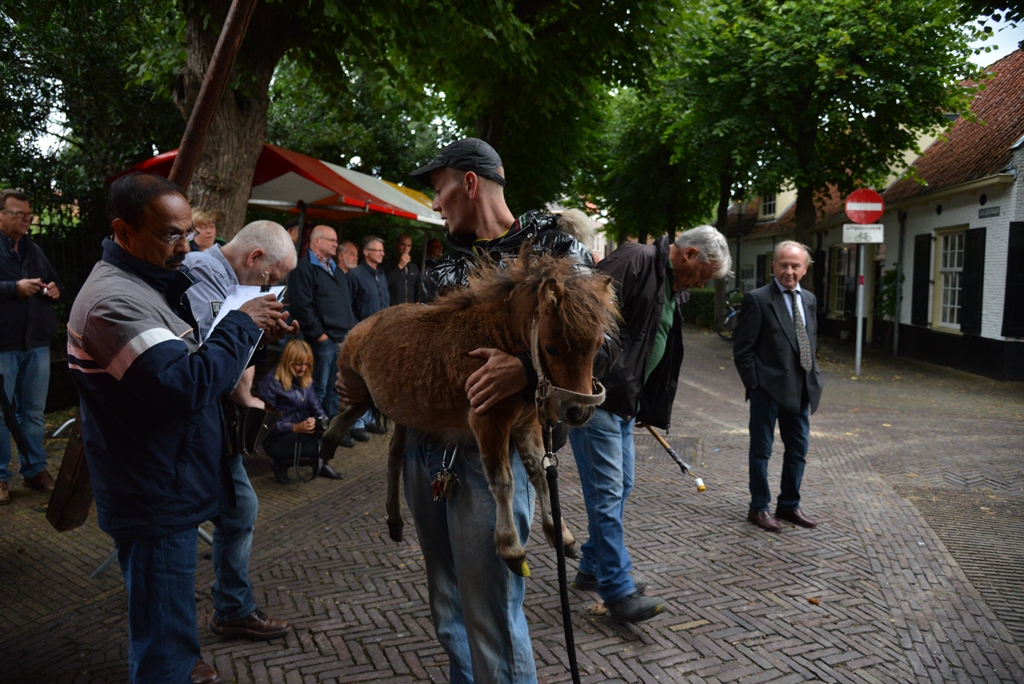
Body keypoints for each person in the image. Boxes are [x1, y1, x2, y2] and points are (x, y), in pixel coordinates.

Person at [339, 137, 597, 683]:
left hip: (494, 457)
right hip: (427, 452)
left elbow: (600, 347)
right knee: (447, 605)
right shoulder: (441, 269)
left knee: (492, 616)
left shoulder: (554, 246)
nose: (434, 204)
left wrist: (525, 372)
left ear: (470, 183)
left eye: (439, 190)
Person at [67, 173, 294, 684]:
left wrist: (245, 324)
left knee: (169, 624)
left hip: (171, 476)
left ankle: (191, 646)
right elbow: (185, 383)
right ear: (124, 233)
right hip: (153, 490)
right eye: (171, 234)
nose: (186, 247)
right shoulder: (115, 302)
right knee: (162, 650)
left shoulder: (153, 285)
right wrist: (243, 322)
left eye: (188, 233)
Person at [568, 225, 731, 623]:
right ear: (689, 254)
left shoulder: (674, 285)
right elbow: (581, 314)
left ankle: (592, 566)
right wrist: (596, 379)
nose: (701, 282)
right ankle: (618, 589)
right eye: (704, 274)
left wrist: (644, 400)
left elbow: (652, 344)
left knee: (620, 486)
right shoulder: (636, 260)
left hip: (624, 403)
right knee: (607, 492)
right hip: (599, 397)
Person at [182, 219, 301, 643]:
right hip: (193, 422)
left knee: (239, 509)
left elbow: (236, 351)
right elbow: (209, 363)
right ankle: (207, 624)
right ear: (254, 258)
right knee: (184, 531)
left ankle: (232, 607)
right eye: (273, 277)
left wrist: (266, 335)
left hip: (217, 419)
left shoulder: (236, 282)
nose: (273, 287)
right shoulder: (199, 275)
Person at [733, 241, 824, 532]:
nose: (789, 271)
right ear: (773, 266)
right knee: (762, 451)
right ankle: (758, 507)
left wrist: (813, 374)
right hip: (768, 389)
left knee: (798, 450)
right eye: (783, 264)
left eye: (795, 265)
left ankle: (788, 505)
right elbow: (742, 349)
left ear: (805, 269)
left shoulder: (809, 299)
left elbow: (809, 339)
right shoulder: (758, 299)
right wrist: (755, 384)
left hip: (801, 388)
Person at [0, 188, 62, 504]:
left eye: (28, 214)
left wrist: (53, 289)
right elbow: (13, 289)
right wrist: (13, 288)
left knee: (34, 414)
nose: (27, 219)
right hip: (3, 346)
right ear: (1, 215)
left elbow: (55, 281)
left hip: (35, 344)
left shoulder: (33, 249)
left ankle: (35, 469)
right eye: (19, 214)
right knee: (1, 414)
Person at [287, 225, 357, 424]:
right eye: (332, 240)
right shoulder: (304, 268)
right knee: (318, 386)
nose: (336, 244)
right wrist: (319, 335)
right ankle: (314, 428)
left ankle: (331, 427)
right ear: (316, 242)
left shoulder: (335, 269)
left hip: (341, 340)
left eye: (336, 240)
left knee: (334, 388)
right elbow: (301, 306)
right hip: (322, 340)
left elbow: (346, 303)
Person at [257, 340, 342, 483]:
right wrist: (295, 427)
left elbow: (317, 408)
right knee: (316, 448)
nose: (303, 369)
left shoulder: (305, 380)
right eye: (298, 364)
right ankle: (280, 464)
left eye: (306, 364)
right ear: (288, 362)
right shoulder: (270, 383)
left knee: (334, 431)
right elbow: (265, 424)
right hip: (277, 437)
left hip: (299, 429)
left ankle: (321, 465)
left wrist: (324, 424)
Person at [347, 235, 391, 441]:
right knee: (358, 380)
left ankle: (372, 419)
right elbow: (349, 306)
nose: (382, 253)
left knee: (376, 380)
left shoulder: (381, 275)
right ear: (366, 252)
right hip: (361, 337)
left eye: (382, 250)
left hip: (380, 338)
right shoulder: (355, 275)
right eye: (378, 250)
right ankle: (356, 422)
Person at [381, 233, 420, 304]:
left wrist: (417, 302)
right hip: (392, 308)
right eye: (402, 245)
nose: (405, 248)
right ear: (396, 245)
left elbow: (418, 289)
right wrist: (399, 266)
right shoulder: (386, 265)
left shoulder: (414, 267)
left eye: (409, 246)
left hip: (410, 309)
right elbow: (383, 284)